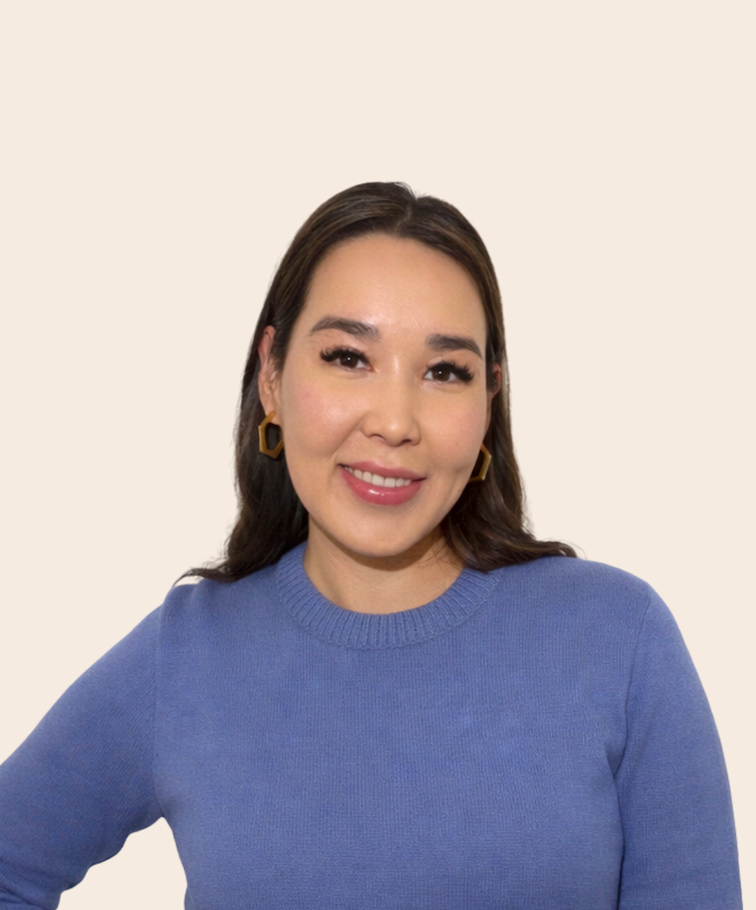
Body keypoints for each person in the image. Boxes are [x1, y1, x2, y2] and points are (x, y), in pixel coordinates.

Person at [0, 182, 742, 909]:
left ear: (488, 401)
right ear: (271, 375)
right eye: (348, 358)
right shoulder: (189, 655)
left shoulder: (618, 640)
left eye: (444, 371)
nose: (394, 420)